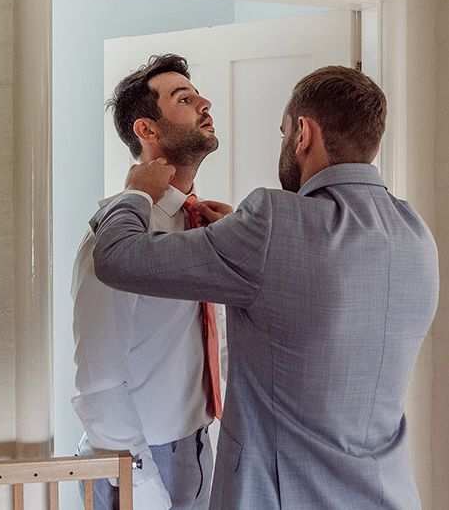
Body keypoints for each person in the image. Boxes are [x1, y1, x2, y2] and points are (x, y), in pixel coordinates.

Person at [90, 66, 439, 509]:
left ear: (303, 134)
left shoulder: (272, 223)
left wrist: (133, 196)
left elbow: (117, 257)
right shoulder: (414, 232)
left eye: (282, 132)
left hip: (279, 496)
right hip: (388, 494)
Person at [71, 54, 226, 510]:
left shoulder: (201, 223)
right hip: (140, 462)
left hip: (196, 445)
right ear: (147, 131)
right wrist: (139, 485)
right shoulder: (116, 234)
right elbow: (98, 375)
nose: (204, 103)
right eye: (184, 97)